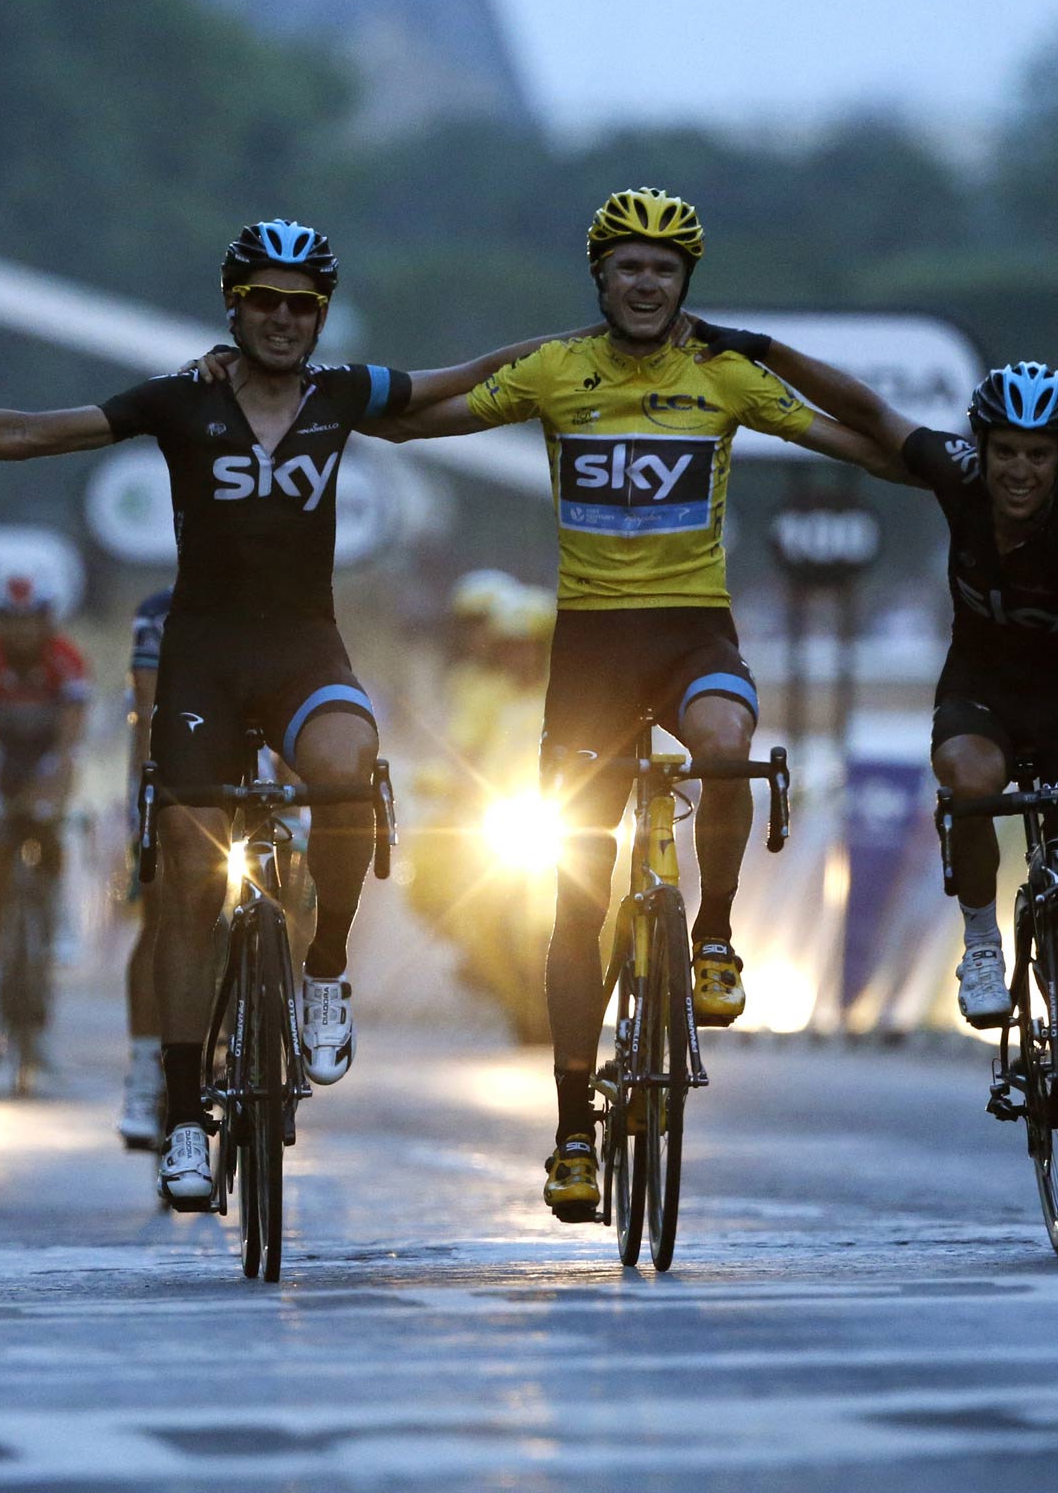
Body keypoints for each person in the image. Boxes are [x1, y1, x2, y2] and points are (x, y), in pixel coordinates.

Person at [0, 217, 584, 1209]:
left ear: (319, 316)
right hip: (202, 665)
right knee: (190, 896)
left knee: (346, 765)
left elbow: (454, 385)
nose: (284, 320)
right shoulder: (181, 399)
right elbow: (31, 432)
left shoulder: (342, 396)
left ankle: (324, 971)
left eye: (303, 306)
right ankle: (176, 1114)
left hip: (302, 651)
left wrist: (580, 354)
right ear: (234, 306)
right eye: (265, 302)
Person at [366, 187, 885, 1220]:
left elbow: (865, 430)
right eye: (627, 268)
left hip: (693, 632)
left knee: (729, 747)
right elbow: (413, 419)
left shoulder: (722, 371)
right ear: (599, 279)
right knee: (575, 898)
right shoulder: (560, 371)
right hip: (592, 655)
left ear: (685, 283)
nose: (645, 284)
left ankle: (717, 937)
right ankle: (568, 1131)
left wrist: (769, 348)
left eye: (664, 270)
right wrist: (513, 354)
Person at [700, 328, 1058, 1197]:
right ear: (981, 447)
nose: (1019, 472)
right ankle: (983, 941)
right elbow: (864, 410)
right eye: (1004, 452)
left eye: (1039, 455)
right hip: (981, 697)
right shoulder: (956, 475)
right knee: (969, 777)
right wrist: (762, 351)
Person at [0, 574, 90, 1063]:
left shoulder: (67, 660)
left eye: (31, 622)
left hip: (44, 758)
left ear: (47, 622)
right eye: (10, 623)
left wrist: (53, 801)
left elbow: (69, 747)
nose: (21, 634)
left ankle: (58, 916)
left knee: (54, 835)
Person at [117, 585, 172, 1149]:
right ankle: (143, 1071)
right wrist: (144, 807)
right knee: (160, 918)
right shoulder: (158, 614)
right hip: (177, 754)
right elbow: (149, 714)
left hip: (256, 753)